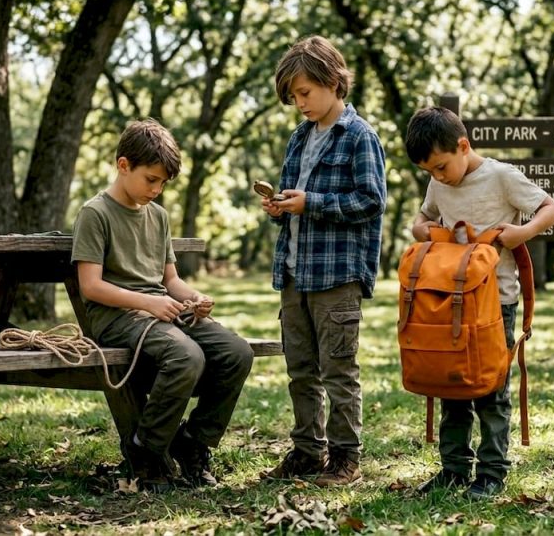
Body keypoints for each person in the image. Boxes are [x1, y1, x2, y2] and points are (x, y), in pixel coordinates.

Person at [72, 119, 254, 493]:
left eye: (163, 184)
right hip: (117, 316)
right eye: (150, 180)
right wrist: (150, 303)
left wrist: (193, 299)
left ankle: (192, 444)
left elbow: (170, 280)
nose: (156, 190)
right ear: (124, 166)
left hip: (159, 310)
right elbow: (90, 286)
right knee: (186, 356)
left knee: (237, 352)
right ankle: (147, 451)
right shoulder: (96, 213)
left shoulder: (157, 215)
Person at [404, 105, 554, 499]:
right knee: (452, 387)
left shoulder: (501, 176)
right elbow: (421, 221)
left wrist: (521, 232)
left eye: (441, 167)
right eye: (430, 172)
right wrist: (426, 230)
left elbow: (552, 208)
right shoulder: (439, 183)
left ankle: (492, 472)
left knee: (492, 390)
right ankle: (453, 469)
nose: (438, 177)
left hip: (496, 304)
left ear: (463, 146)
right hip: (450, 303)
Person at [259, 35, 387, 486]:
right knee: (300, 370)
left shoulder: (359, 137)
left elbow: (371, 201)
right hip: (294, 271)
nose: (299, 103)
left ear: (334, 82)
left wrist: (309, 202)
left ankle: (345, 456)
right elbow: (296, 198)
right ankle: (307, 451)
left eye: (304, 93)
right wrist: (281, 207)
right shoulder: (299, 137)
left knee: (338, 368)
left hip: (336, 275)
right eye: (293, 96)